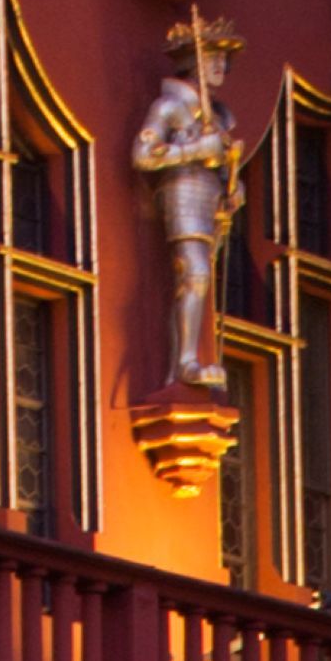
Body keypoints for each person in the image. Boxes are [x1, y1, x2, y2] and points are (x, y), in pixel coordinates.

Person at [138, 23, 242, 392]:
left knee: (199, 277)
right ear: (193, 62)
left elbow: (222, 166)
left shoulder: (219, 115)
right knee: (194, 272)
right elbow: (143, 154)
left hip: (209, 197)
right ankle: (184, 363)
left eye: (223, 59)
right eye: (213, 57)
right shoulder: (170, 106)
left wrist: (234, 186)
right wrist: (195, 150)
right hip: (181, 190)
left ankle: (184, 360)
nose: (220, 65)